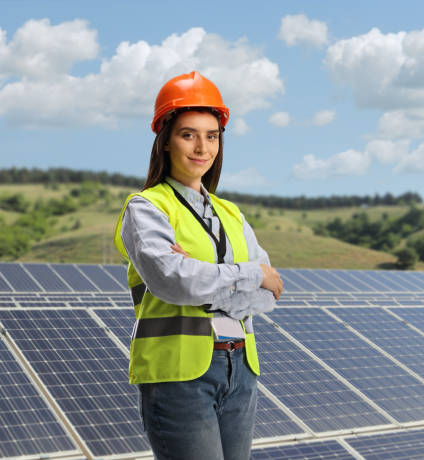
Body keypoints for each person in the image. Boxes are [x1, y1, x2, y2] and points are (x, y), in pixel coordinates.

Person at [113, 70, 283, 460]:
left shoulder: (231, 214)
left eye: (212, 136)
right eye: (188, 134)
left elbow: (268, 296)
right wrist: (248, 275)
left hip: (240, 366)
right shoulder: (148, 208)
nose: (201, 147)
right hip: (179, 373)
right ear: (166, 141)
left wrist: (207, 281)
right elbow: (175, 284)